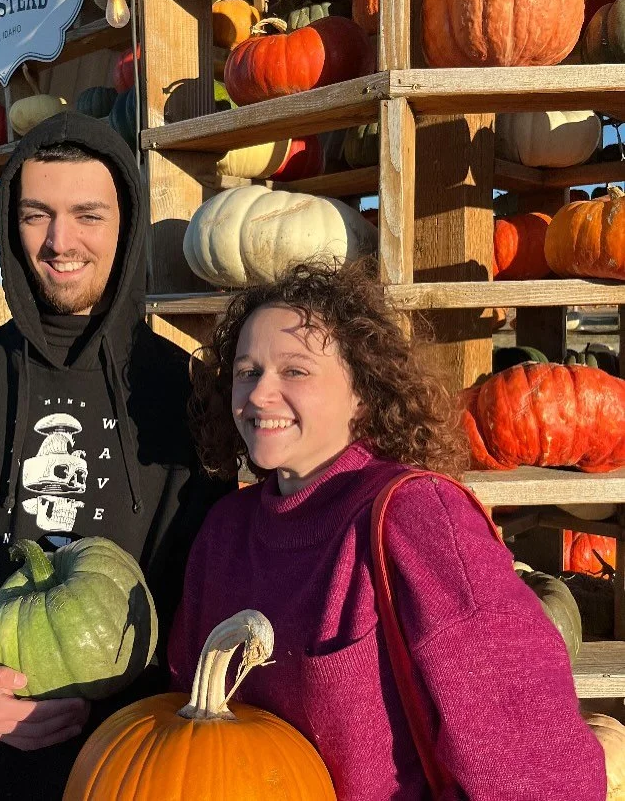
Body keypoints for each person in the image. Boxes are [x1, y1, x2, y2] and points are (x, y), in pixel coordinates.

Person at [0, 110, 231, 799]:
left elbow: (208, 576)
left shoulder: (180, 389)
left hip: (141, 766)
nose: (60, 242)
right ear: (11, 225)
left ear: (124, 223)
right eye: (37, 214)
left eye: (87, 215)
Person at [168, 262, 606, 800]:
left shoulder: (415, 515)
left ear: (364, 392)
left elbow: (527, 748)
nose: (260, 394)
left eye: (295, 371)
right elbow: (184, 728)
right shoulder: (225, 533)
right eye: (247, 370)